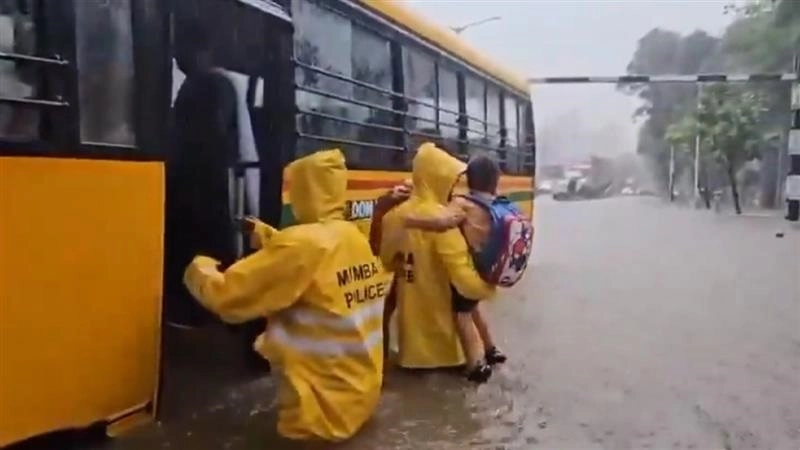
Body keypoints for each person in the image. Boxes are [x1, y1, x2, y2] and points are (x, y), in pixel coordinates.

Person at [184, 149, 391, 442]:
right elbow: (308, 264)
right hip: (359, 397)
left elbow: (229, 298)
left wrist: (198, 268)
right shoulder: (351, 236)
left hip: (319, 412)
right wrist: (265, 234)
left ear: (305, 190)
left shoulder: (301, 245)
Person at [377, 142, 496, 379]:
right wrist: (491, 285)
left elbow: (387, 262)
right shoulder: (443, 222)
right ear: (440, 178)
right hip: (447, 354)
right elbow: (466, 284)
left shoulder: (393, 218)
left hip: (410, 353)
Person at [403, 154, 508, 382]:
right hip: (487, 269)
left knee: (462, 316)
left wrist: (411, 220)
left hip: (469, 269)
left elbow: (443, 222)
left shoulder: (463, 203)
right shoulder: (497, 202)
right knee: (474, 309)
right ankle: (491, 349)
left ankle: (476, 364)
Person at [164, 23, 238, 328]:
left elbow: (207, 135)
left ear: (201, 51)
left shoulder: (211, 84)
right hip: (201, 184)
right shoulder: (203, 83)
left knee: (200, 248)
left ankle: (200, 312)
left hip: (201, 186)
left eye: (182, 51)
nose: (178, 58)